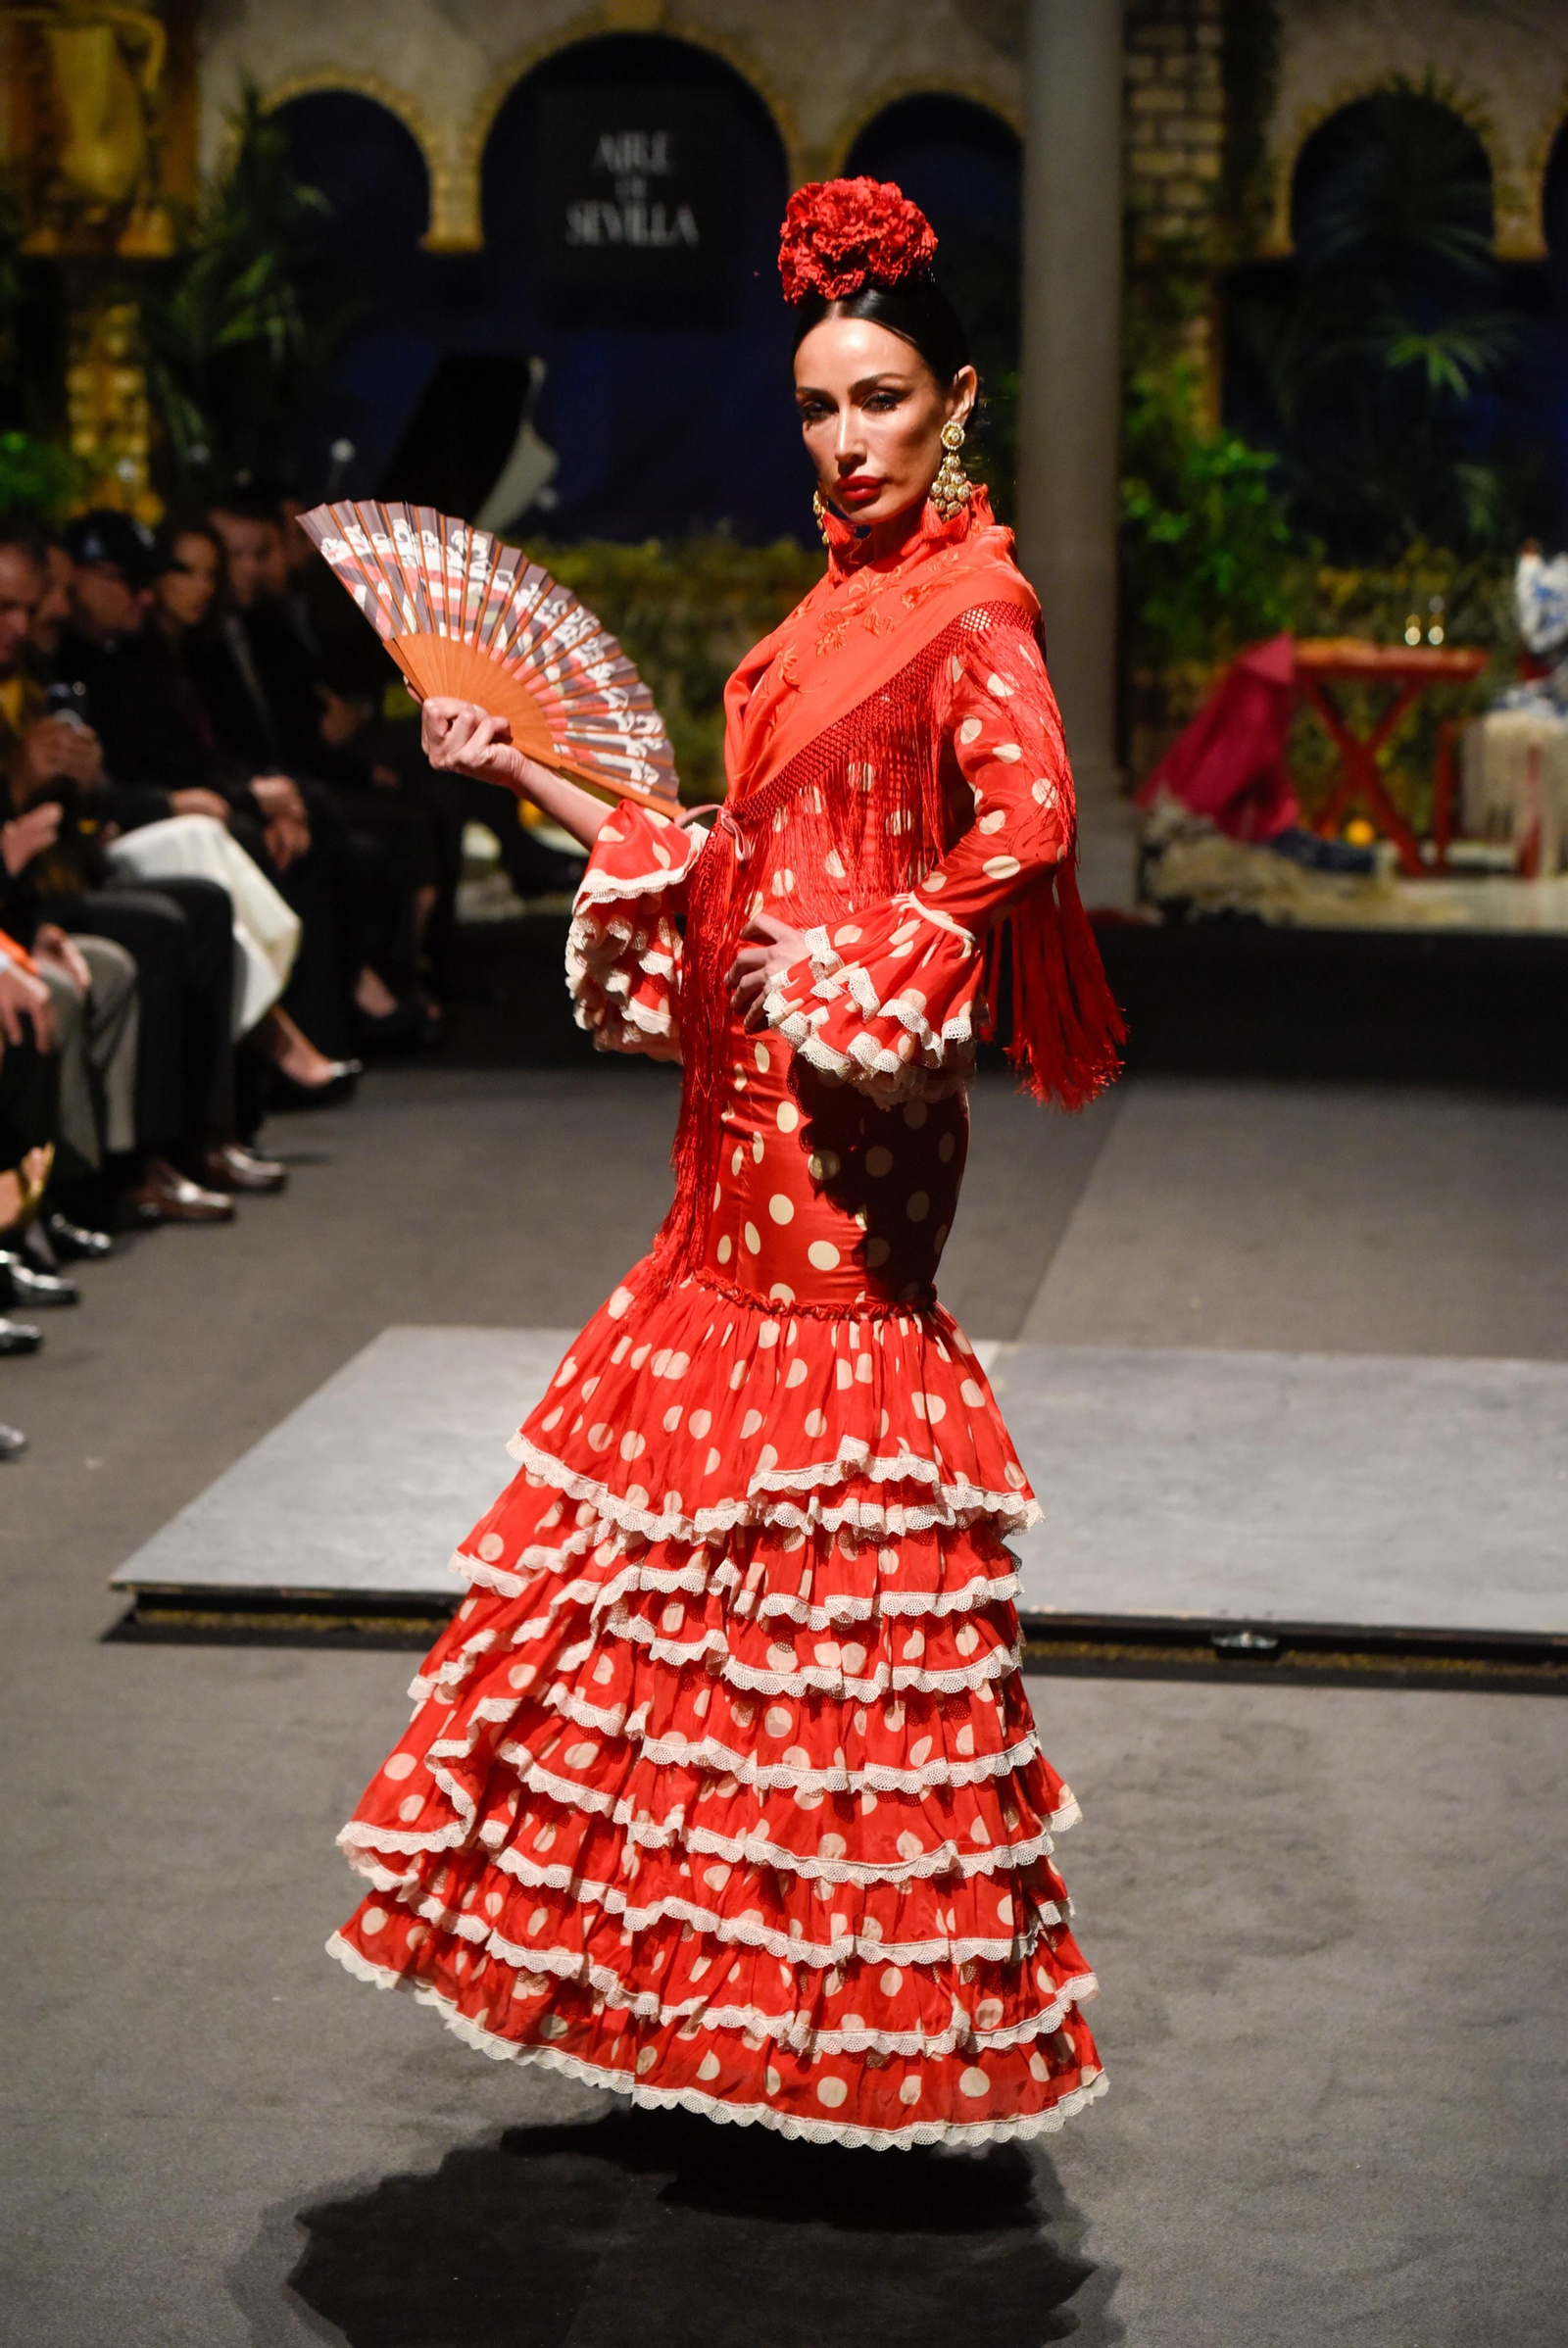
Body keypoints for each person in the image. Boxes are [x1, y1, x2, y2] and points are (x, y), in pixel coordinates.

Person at [327, 180, 1123, 2148]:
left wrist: (874, 958)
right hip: (740, 1094)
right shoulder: (828, 607)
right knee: (711, 1549)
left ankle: (854, 2001)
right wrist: (515, 765)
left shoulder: (971, 604)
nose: (844, 441)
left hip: (850, 1093)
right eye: (813, 409)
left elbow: (1027, 822)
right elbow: (723, 841)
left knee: (834, 1509)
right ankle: (715, 1985)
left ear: (955, 399)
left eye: (878, 401)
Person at [45, 512, 361, 1110]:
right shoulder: (79, 664)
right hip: (83, 853)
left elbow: (155, 768)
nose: (147, 592)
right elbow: (134, 778)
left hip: (105, 833)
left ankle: (250, 1086)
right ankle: (267, 1062)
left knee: (247, 837)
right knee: (205, 855)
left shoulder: (148, 654)